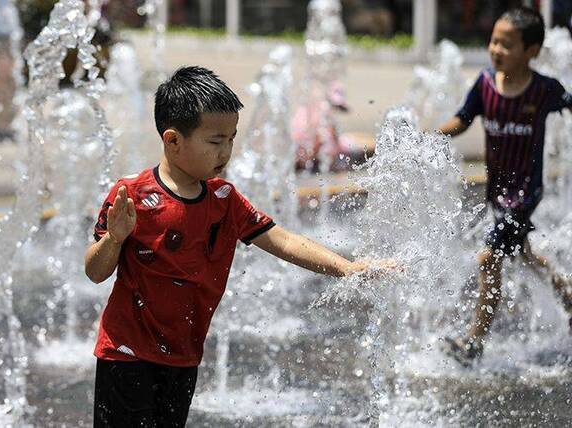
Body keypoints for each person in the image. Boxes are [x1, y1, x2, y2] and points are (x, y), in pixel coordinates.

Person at [85, 66, 396, 427]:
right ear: (173, 140)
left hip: (184, 358)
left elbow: (283, 239)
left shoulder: (224, 200)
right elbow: (95, 271)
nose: (226, 152)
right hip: (126, 355)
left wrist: (347, 267)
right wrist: (115, 237)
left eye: (231, 139)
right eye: (215, 142)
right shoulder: (133, 196)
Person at [437, 8, 572, 367]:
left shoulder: (544, 90)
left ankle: (474, 341)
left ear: (531, 51)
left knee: (489, 257)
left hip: (525, 195)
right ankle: (568, 294)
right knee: (525, 256)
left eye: (507, 44)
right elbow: (462, 120)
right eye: (494, 41)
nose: (496, 49)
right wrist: (429, 137)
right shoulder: (484, 84)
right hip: (497, 192)